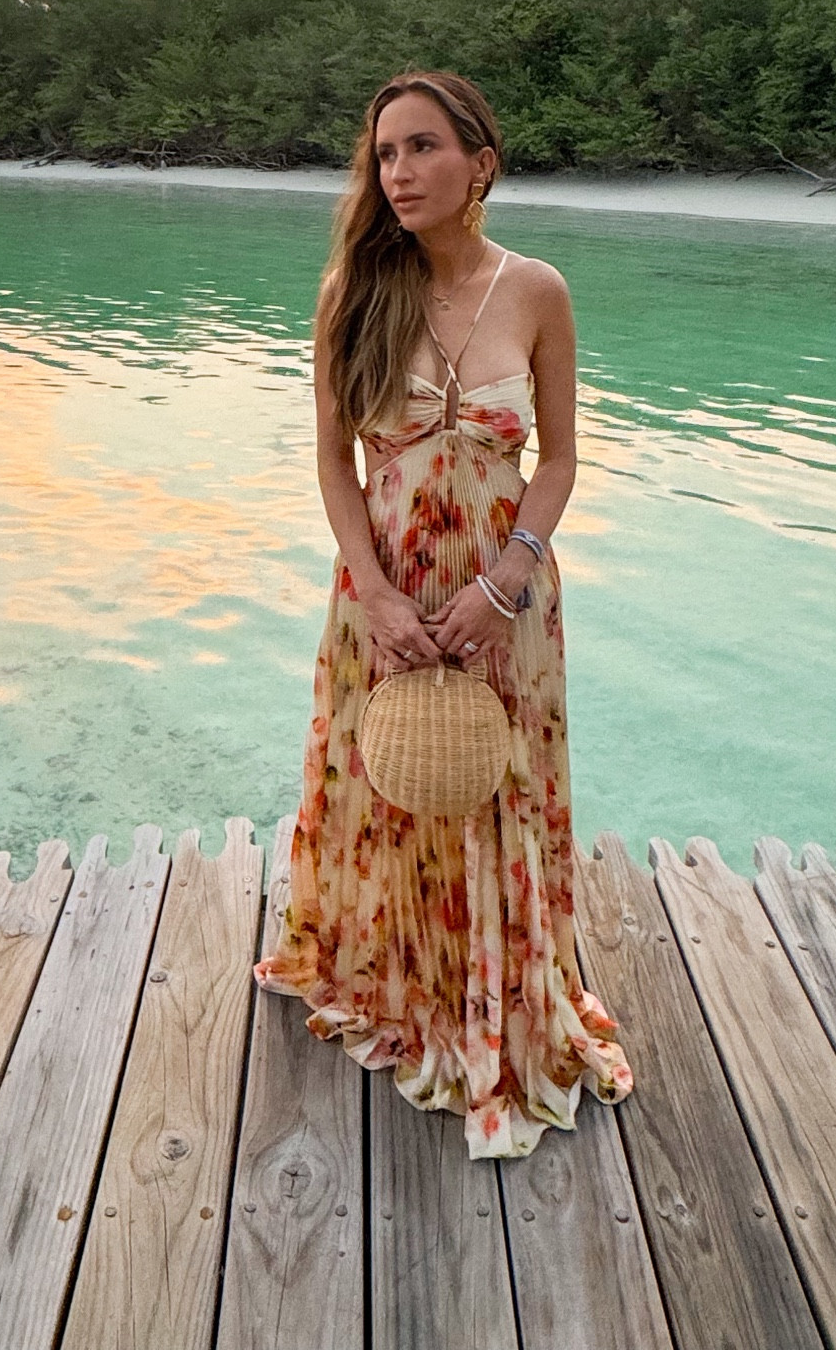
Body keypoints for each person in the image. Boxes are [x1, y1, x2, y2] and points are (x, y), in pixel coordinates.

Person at [254, 68, 633, 1159]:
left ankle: (503, 997)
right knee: (390, 787)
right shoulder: (353, 291)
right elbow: (333, 463)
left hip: (504, 591)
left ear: (481, 161)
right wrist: (373, 592)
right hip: (383, 586)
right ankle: (409, 984)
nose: (400, 172)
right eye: (384, 154)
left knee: (500, 785)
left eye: (422, 147)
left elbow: (556, 461)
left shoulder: (539, 291)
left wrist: (506, 579)